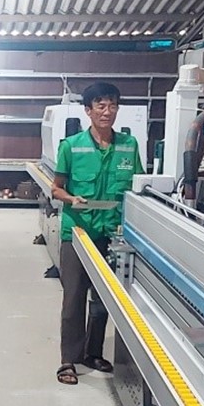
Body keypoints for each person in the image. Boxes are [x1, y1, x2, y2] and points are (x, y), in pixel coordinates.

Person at [50, 82, 142, 386]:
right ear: (88, 111)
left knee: (102, 298)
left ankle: (92, 353)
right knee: (73, 298)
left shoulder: (129, 145)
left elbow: (138, 187)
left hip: (112, 233)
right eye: (100, 106)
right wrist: (71, 198)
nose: (107, 111)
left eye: (112, 105)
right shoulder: (71, 146)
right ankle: (68, 359)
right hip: (78, 232)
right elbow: (56, 188)